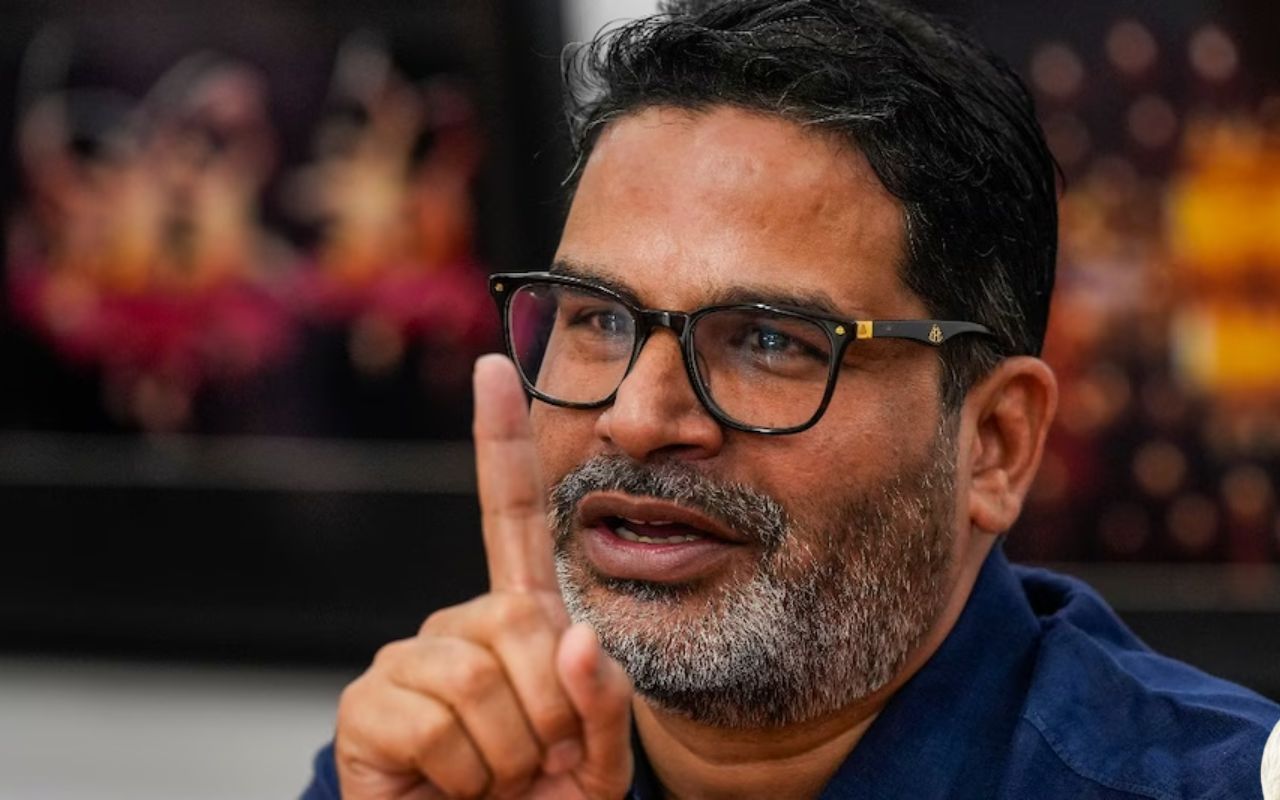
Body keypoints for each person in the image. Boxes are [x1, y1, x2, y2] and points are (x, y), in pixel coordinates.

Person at [303, 1, 1280, 797]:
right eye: (597, 317)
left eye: (769, 339)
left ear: (995, 440)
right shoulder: (449, 766)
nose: (636, 418)